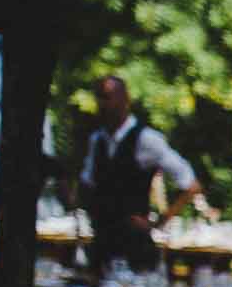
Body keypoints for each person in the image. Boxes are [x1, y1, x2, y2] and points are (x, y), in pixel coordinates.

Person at [75, 75, 205, 273]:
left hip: (135, 248)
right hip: (102, 246)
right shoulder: (97, 140)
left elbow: (191, 184)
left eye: (108, 97)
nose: (102, 104)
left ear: (125, 100)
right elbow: (88, 184)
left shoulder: (146, 139)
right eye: (99, 97)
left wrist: (159, 222)